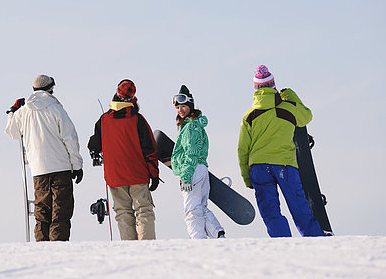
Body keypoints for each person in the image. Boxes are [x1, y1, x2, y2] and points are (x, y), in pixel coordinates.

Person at [238, 65, 326, 237]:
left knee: (270, 212)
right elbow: (307, 116)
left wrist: (247, 178)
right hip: (285, 165)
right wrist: (290, 95)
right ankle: (315, 238)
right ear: (273, 86)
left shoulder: (249, 115)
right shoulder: (287, 108)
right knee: (299, 207)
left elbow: (243, 150)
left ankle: (282, 243)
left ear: (255, 89)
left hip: (259, 167)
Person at [5, 74, 84, 241]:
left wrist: (12, 112)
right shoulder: (56, 109)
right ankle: (58, 245)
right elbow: (70, 138)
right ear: (51, 89)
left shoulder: (23, 111)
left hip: (38, 169)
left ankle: (42, 247)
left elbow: (12, 132)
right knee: (61, 210)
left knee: (42, 211)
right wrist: (76, 165)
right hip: (61, 167)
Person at [88, 79, 160, 240]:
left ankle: (130, 247)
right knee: (144, 210)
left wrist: (94, 151)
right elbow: (150, 149)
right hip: (137, 174)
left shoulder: (104, 120)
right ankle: (147, 246)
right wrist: (154, 174)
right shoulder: (137, 119)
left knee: (123, 212)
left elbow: (94, 144)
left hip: (115, 176)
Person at [170, 85, 225, 239]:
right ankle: (217, 234)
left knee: (192, 210)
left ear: (190, 106)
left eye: (183, 107)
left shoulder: (190, 128)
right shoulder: (194, 125)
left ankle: (198, 241)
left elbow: (191, 153)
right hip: (201, 169)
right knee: (201, 207)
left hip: (192, 170)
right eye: (178, 107)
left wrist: (186, 176)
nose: (180, 110)